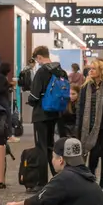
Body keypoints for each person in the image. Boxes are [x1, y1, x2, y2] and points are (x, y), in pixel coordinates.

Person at [75, 59, 103, 192]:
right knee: (94, 153)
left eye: (93, 69)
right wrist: (78, 129)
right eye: (90, 69)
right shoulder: (85, 87)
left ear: (100, 71)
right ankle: (91, 177)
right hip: (90, 127)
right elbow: (80, 108)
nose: (90, 71)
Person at [28, 45, 69, 190]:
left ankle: (41, 182)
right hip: (55, 113)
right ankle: (56, 177)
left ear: (39, 57)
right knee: (51, 146)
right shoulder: (61, 71)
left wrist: (31, 101)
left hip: (41, 114)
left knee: (41, 147)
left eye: (36, 59)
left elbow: (34, 96)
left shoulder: (41, 71)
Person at [0, 62, 14, 140]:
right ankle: (9, 135)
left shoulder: (1, 77)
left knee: (6, 117)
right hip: (2, 100)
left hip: (0, 100)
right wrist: (9, 85)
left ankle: (8, 135)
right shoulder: (2, 78)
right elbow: (0, 89)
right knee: (8, 117)